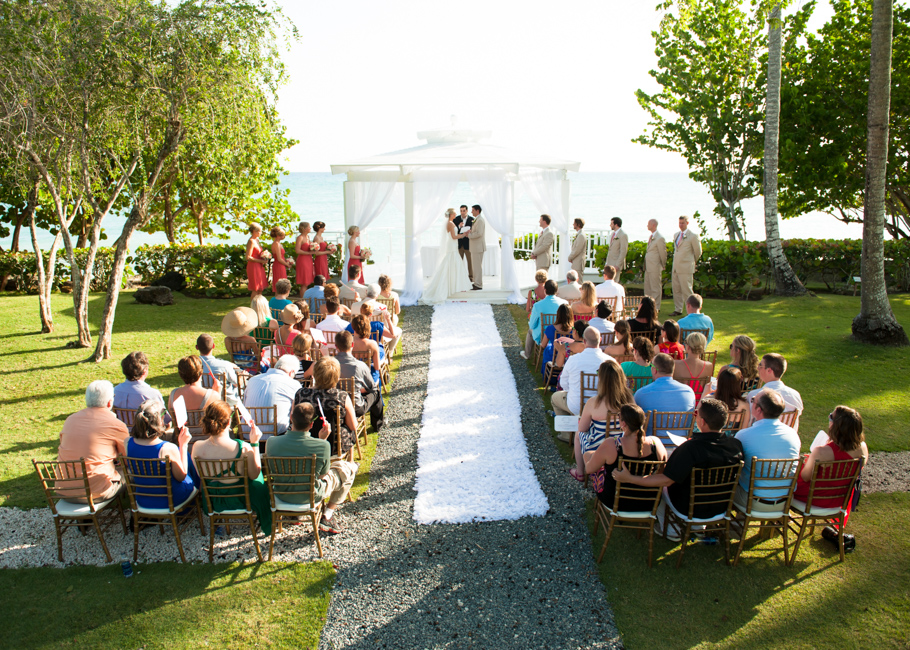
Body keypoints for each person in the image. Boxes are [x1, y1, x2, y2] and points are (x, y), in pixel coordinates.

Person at [613, 398, 744, 540]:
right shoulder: (736, 445)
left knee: (659, 487)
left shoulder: (690, 449)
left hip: (688, 508)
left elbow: (666, 480)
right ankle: (698, 528)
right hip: (721, 506)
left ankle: (670, 530)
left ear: (702, 422)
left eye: (696, 414)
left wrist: (629, 478)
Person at [266, 402, 359, 535]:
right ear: (311, 424)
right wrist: (323, 440)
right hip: (310, 495)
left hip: (282, 494)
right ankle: (328, 514)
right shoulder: (322, 445)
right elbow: (323, 475)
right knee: (349, 468)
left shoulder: (272, 442)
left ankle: (295, 515)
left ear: (291, 417)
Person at [793, 405, 868, 552]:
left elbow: (805, 476)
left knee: (789, 477)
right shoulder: (863, 448)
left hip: (813, 498)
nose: (829, 419)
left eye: (831, 417)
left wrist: (808, 461)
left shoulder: (822, 452)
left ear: (836, 426)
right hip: (840, 499)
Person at [192, 400, 272, 534]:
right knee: (259, 482)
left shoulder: (197, 447)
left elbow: (201, 477)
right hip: (240, 500)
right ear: (229, 422)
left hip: (214, 501)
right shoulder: (242, 447)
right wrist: (255, 444)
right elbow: (254, 474)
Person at [56, 380, 130, 502]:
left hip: (64, 491)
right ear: (110, 402)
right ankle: (138, 512)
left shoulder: (70, 420)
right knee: (131, 472)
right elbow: (127, 458)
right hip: (96, 493)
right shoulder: (115, 424)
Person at [586, 404, 668, 510]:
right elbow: (660, 473)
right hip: (648, 503)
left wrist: (587, 456)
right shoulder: (655, 443)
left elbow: (589, 469)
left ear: (623, 423)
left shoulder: (612, 444)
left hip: (615, 502)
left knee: (588, 456)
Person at [734, 389, 801, 511]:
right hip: (784, 501)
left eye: (753, 400)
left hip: (751, 501)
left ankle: (734, 527)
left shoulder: (744, 435)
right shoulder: (793, 435)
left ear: (758, 410)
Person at [126, 400, 196, 509]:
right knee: (186, 459)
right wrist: (183, 445)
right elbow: (181, 477)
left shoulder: (127, 442)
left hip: (142, 499)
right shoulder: (167, 448)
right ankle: (196, 502)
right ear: (160, 420)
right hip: (169, 500)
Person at [571, 359, 635, 478]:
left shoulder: (593, 403)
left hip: (598, 447)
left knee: (578, 434)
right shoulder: (629, 399)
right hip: (623, 444)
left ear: (602, 380)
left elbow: (582, 428)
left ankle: (580, 472)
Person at [294, 357, 359, 459]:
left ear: (315, 374)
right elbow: (353, 426)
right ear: (337, 377)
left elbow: (292, 420)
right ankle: (350, 463)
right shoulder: (341, 396)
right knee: (350, 430)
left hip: (305, 443)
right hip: (335, 446)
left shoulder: (300, 394)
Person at [549, 326, 612, 418]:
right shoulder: (611, 361)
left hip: (576, 406)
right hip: (602, 406)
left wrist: (572, 392)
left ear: (585, 341)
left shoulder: (573, 360)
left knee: (555, 398)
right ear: (600, 340)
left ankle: (568, 430)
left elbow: (563, 383)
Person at [633, 353, 696, 438]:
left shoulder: (641, 394)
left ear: (654, 370)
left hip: (652, 446)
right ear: (673, 370)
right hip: (682, 444)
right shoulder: (689, 392)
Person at [335, 330, 384, 432]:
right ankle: (377, 425)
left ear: (336, 346)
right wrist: (361, 389)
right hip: (355, 406)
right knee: (376, 393)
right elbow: (372, 387)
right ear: (352, 345)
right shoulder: (360, 366)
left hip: (335, 404)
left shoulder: (331, 364)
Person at [242, 354, 300, 436]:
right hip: (277, 438)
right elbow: (295, 415)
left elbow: (244, 405)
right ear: (292, 372)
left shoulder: (253, 380)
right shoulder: (294, 384)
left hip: (247, 434)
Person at [747, 353, 804, 431]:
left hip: (759, 437)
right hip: (786, 437)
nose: (757, 368)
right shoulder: (795, 395)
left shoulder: (755, 396)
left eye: (760, 366)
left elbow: (748, 421)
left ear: (769, 370)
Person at [521, 279, 567, 360]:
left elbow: (532, 324)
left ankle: (527, 354)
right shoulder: (565, 303)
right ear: (557, 290)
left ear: (545, 290)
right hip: (561, 334)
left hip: (543, 336)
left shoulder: (538, 305)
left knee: (530, 330)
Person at [196, 334, 241, 407]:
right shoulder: (224, 365)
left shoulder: (194, 366)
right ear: (213, 346)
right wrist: (242, 379)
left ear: (197, 347)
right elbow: (236, 382)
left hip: (202, 402)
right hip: (224, 402)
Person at [670, 215, 703, 316]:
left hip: (686, 267)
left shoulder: (693, 236)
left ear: (687, 223)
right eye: (679, 223)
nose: (681, 225)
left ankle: (692, 311)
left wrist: (691, 262)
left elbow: (698, 251)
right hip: (676, 267)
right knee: (676, 289)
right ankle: (678, 309)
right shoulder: (676, 235)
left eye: (683, 223)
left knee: (687, 290)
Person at [221, 306, 262, 374]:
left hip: (236, 367)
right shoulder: (250, 340)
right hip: (251, 368)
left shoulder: (227, 340)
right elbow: (258, 357)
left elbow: (231, 354)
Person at [540, 303, 574, 383]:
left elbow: (543, 344)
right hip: (568, 356)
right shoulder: (574, 330)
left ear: (558, 314)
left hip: (554, 355)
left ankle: (547, 377)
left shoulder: (550, 328)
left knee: (547, 350)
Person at [348, 315, 383, 384]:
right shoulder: (372, 344)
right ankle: (377, 394)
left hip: (352, 375)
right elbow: (377, 367)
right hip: (368, 375)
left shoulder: (347, 342)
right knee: (376, 374)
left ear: (353, 327)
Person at [643, 219, 667, 312]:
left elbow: (663, 253)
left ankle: (656, 307)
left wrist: (663, 264)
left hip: (655, 266)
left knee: (655, 287)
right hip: (648, 267)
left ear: (653, 225)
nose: (647, 225)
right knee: (648, 287)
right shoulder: (652, 236)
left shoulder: (660, 238)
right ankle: (648, 306)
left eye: (648, 224)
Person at [465, 204, 486, 290]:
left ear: (477, 211)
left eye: (472, 210)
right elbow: (476, 231)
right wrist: (471, 231)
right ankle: (477, 282)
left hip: (478, 247)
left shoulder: (480, 220)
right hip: (475, 247)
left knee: (477, 266)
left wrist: (469, 235)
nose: (471, 212)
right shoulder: (477, 219)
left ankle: (478, 284)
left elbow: (479, 233)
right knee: (475, 266)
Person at [245, 222, 268, 297]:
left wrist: (264, 256)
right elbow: (248, 257)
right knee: (255, 288)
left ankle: (259, 305)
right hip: (253, 266)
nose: (261, 233)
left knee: (260, 288)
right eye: (260, 231)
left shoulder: (257, 240)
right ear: (255, 231)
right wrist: (261, 261)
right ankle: (253, 306)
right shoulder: (251, 241)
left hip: (259, 266)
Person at [453, 204, 475, 282]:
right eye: (461, 211)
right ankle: (458, 278)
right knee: (458, 262)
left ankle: (471, 277)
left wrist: (469, 232)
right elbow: (453, 231)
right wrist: (459, 227)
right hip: (459, 245)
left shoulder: (472, 219)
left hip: (468, 244)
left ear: (467, 211)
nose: (462, 212)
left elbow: (474, 230)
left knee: (470, 262)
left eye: (464, 211)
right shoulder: (456, 219)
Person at [270, 227, 294, 295]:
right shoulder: (276, 244)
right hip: (279, 265)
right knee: (280, 284)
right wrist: (287, 264)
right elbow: (279, 258)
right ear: (278, 236)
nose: (284, 236)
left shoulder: (278, 243)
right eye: (283, 235)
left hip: (281, 265)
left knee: (282, 283)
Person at [294, 221, 315, 298]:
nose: (310, 228)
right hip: (303, 260)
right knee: (304, 282)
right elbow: (297, 250)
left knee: (308, 281)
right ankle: (303, 299)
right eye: (309, 227)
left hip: (309, 260)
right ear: (305, 229)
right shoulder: (300, 238)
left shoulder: (308, 237)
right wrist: (309, 253)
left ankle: (306, 298)